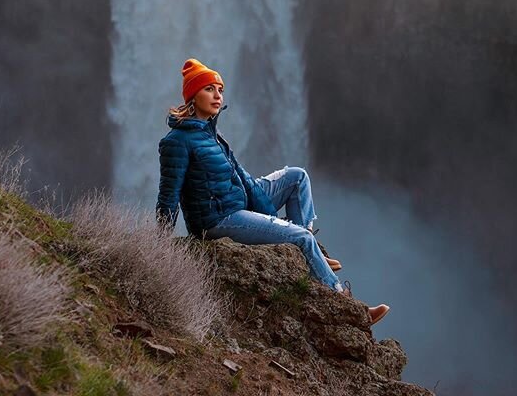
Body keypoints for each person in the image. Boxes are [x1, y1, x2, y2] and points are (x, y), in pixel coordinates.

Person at [156, 58, 390, 326]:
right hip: (218, 219)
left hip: (239, 199)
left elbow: (238, 175)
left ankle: (308, 251)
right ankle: (348, 305)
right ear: (192, 96)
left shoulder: (211, 134)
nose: (217, 96)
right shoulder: (177, 142)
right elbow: (168, 195)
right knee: (300, 237)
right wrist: (160, 244)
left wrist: (258, 194)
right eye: (209, 89)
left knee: (296, 177)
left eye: (220, 90)